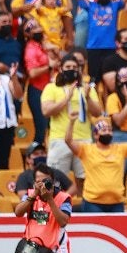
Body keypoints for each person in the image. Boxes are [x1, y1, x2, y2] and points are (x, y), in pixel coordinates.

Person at [66, 117, 127, 212]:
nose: (108, 132)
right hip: (93, 202)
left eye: (110, 130)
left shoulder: (120, 149)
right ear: (96, 135)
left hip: (117, 203)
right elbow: (69, 141)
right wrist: (72, 122)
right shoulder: (86, 150)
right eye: (104, 130)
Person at [41, 55, 101, 188]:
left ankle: (83, 208)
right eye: (68, 67)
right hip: (60, 140)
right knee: (56, 181)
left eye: (74, 67)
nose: (71, 69)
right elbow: (46, 111)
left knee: (85, 180)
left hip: (83, 140)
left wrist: (87, 97)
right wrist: (66, 98)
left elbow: (97, 112)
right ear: (61, 69)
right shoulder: (51, 88)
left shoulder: (87, 88)